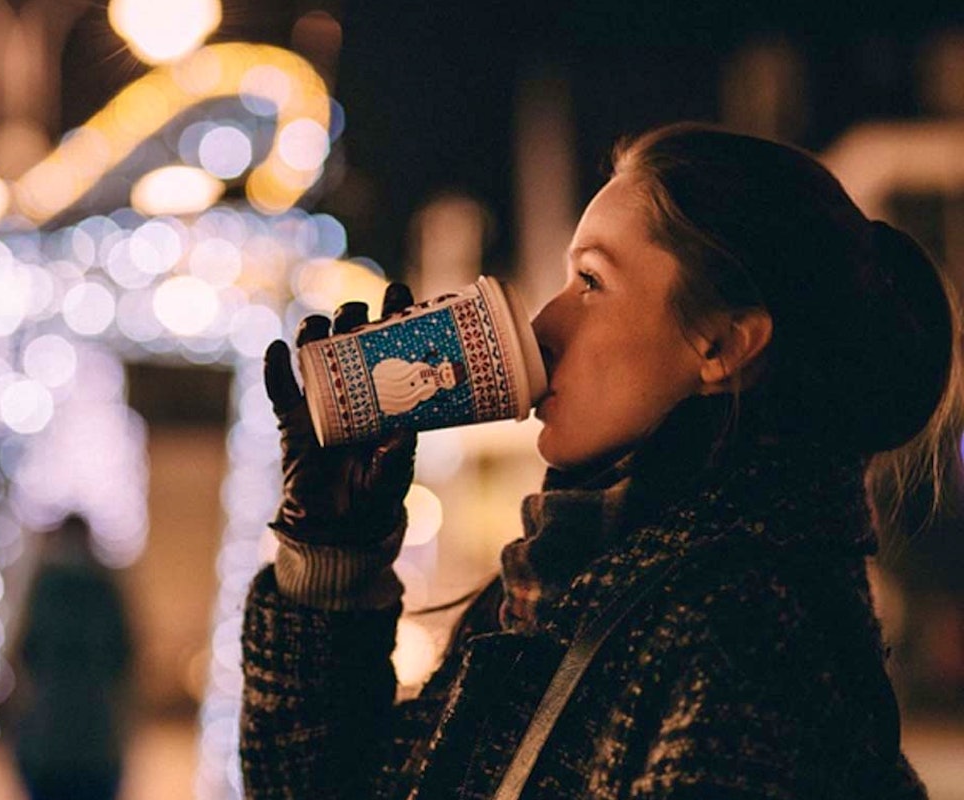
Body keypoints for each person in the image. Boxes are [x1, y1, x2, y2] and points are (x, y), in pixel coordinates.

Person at [239, 122, 964, 799]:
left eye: (591, 281)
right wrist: (335, 554)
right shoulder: (562, 584)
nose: (545, 324)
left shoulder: (746, 633)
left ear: (722, 344)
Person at [6, 514, 134, 800]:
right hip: (89, 740)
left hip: (54, 739)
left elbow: (25, 652)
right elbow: (124, 654)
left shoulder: (45, 588)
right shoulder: (101, 588)